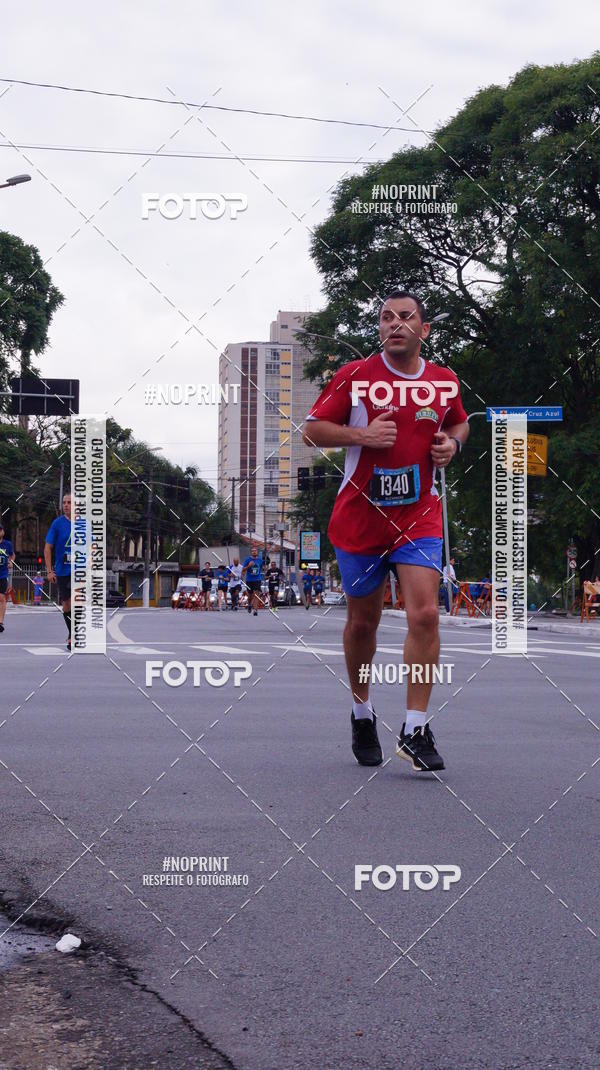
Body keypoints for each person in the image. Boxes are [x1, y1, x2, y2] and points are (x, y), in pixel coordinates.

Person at [303, 290, 468, 771]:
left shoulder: (443, 381)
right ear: (379, 328)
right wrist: (362, 435)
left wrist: (451, 445)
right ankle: (361, 712)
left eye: (405, 317)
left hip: (419, 515)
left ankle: (415, 728)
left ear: (424, 329)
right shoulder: (354, 376)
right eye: (386, 318)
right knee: (362, 624)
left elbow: (460, 425)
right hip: (361, 516)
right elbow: (313, 429)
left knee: (425, 616)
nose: (395, 324)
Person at [44, 492, 73, 650]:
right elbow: (48, 548)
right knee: (66, 604)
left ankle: (74, 635)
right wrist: (49, 571)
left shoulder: (84, 524)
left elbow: (92, 547)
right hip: (61, 570)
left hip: (79, 571)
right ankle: (72, 633)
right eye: (64, 502)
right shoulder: (57, 524)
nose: (66, 505)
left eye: (69, 502)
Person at [0, 524, 15, 634]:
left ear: (3, 532)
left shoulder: (7, 544)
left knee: (2, 598)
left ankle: (0, 622)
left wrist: (11, 561)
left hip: (2, 575)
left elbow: (12, 555)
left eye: (0, 530)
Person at [242, 546, 264, 616]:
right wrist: (249, 566)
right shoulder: (247, 560)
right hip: (249, 580)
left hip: (257, 579)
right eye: (253, 551)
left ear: (257, 552)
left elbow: (261, 569)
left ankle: (255, 610)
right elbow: (243, 570)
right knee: (250, 596)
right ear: (251, 552)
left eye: (255, 551)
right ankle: (249, 604)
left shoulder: (260, 560)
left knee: (256, 595)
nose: (254, 552)